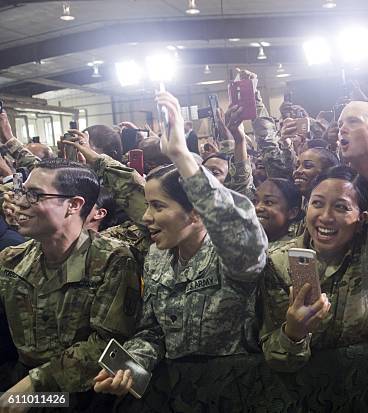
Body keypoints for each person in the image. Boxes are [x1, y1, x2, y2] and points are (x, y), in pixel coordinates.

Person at [84, 90, 268, 397]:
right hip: (180, 392)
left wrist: (182, 156)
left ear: (195, 214)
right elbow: (154, 331)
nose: (146, 217)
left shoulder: (230, 257)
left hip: (237, 391)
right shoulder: (157, 256)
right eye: (147, 205)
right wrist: (131, 366)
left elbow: (242, 233)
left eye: (158, 206)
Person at [259, 56, 368, 372]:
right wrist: (293, 334)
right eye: (317, 203)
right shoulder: (281, 262)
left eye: (341, 208)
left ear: (361, 216)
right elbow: (273, 354)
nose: (326, 216)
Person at [0, 158, 141, 398]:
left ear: (74, 205)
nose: (20, 203)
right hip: (19, 385)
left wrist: (36, 385)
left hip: (83, 393)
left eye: (34, 195)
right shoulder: (11, 260)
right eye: (22, 191)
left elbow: (106, 345)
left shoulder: (111, 260)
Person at [254, 178, 302, 247]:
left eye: (268, 202)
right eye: (255, 201)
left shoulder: (292, 252)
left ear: (292, 213)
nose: (257, 208)